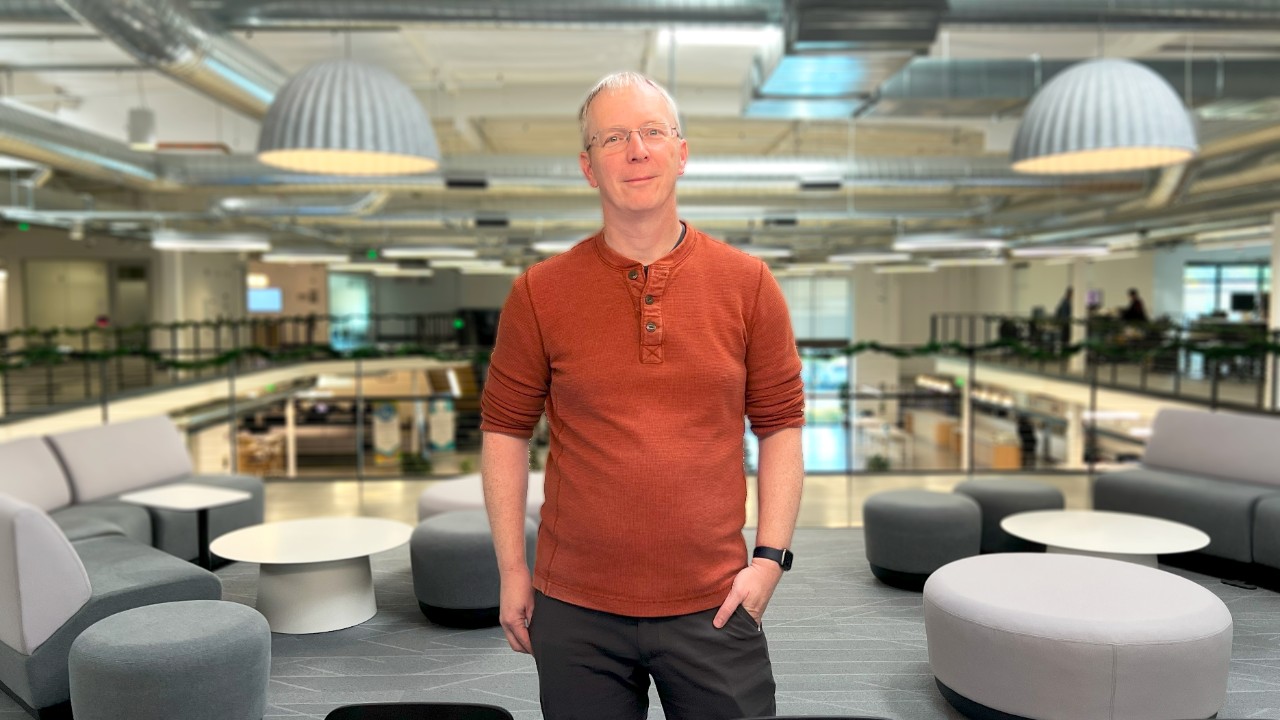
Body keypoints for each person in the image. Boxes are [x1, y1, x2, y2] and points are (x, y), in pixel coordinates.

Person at [479, 71, 805, 720]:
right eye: (614, 137)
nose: (636, 150)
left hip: (714, 602)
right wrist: (513, 570)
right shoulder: (539, 292)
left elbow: (781, 425)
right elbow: (504, 432)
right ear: (587, 167)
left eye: (653, 132)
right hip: (574, 609)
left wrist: (769, 558)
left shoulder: (749, 284)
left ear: (681, 153)